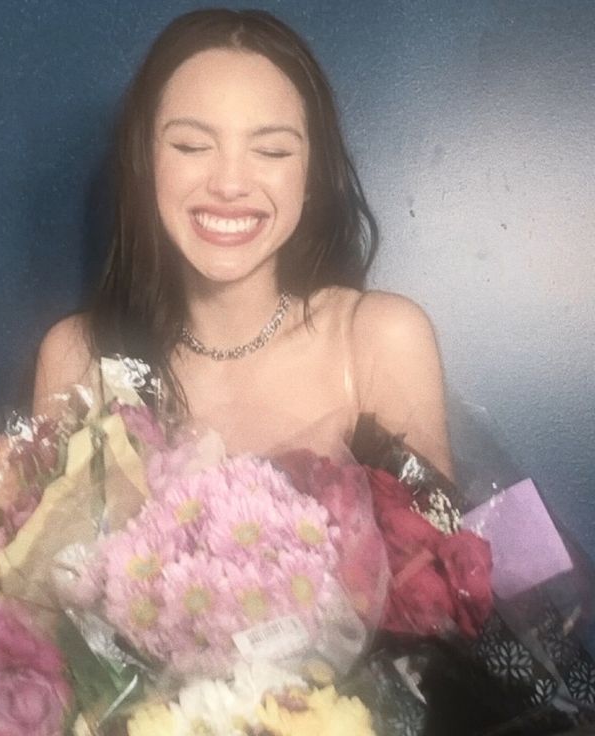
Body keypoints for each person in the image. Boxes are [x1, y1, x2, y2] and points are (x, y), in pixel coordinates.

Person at [33, 8, 453, 479]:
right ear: (145, 165)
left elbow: (437, 551)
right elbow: (50, 547)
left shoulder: (378, 340)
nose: (230, 184)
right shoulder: (77, 357)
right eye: (191, 146)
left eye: (271, 151)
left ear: (311, 177)